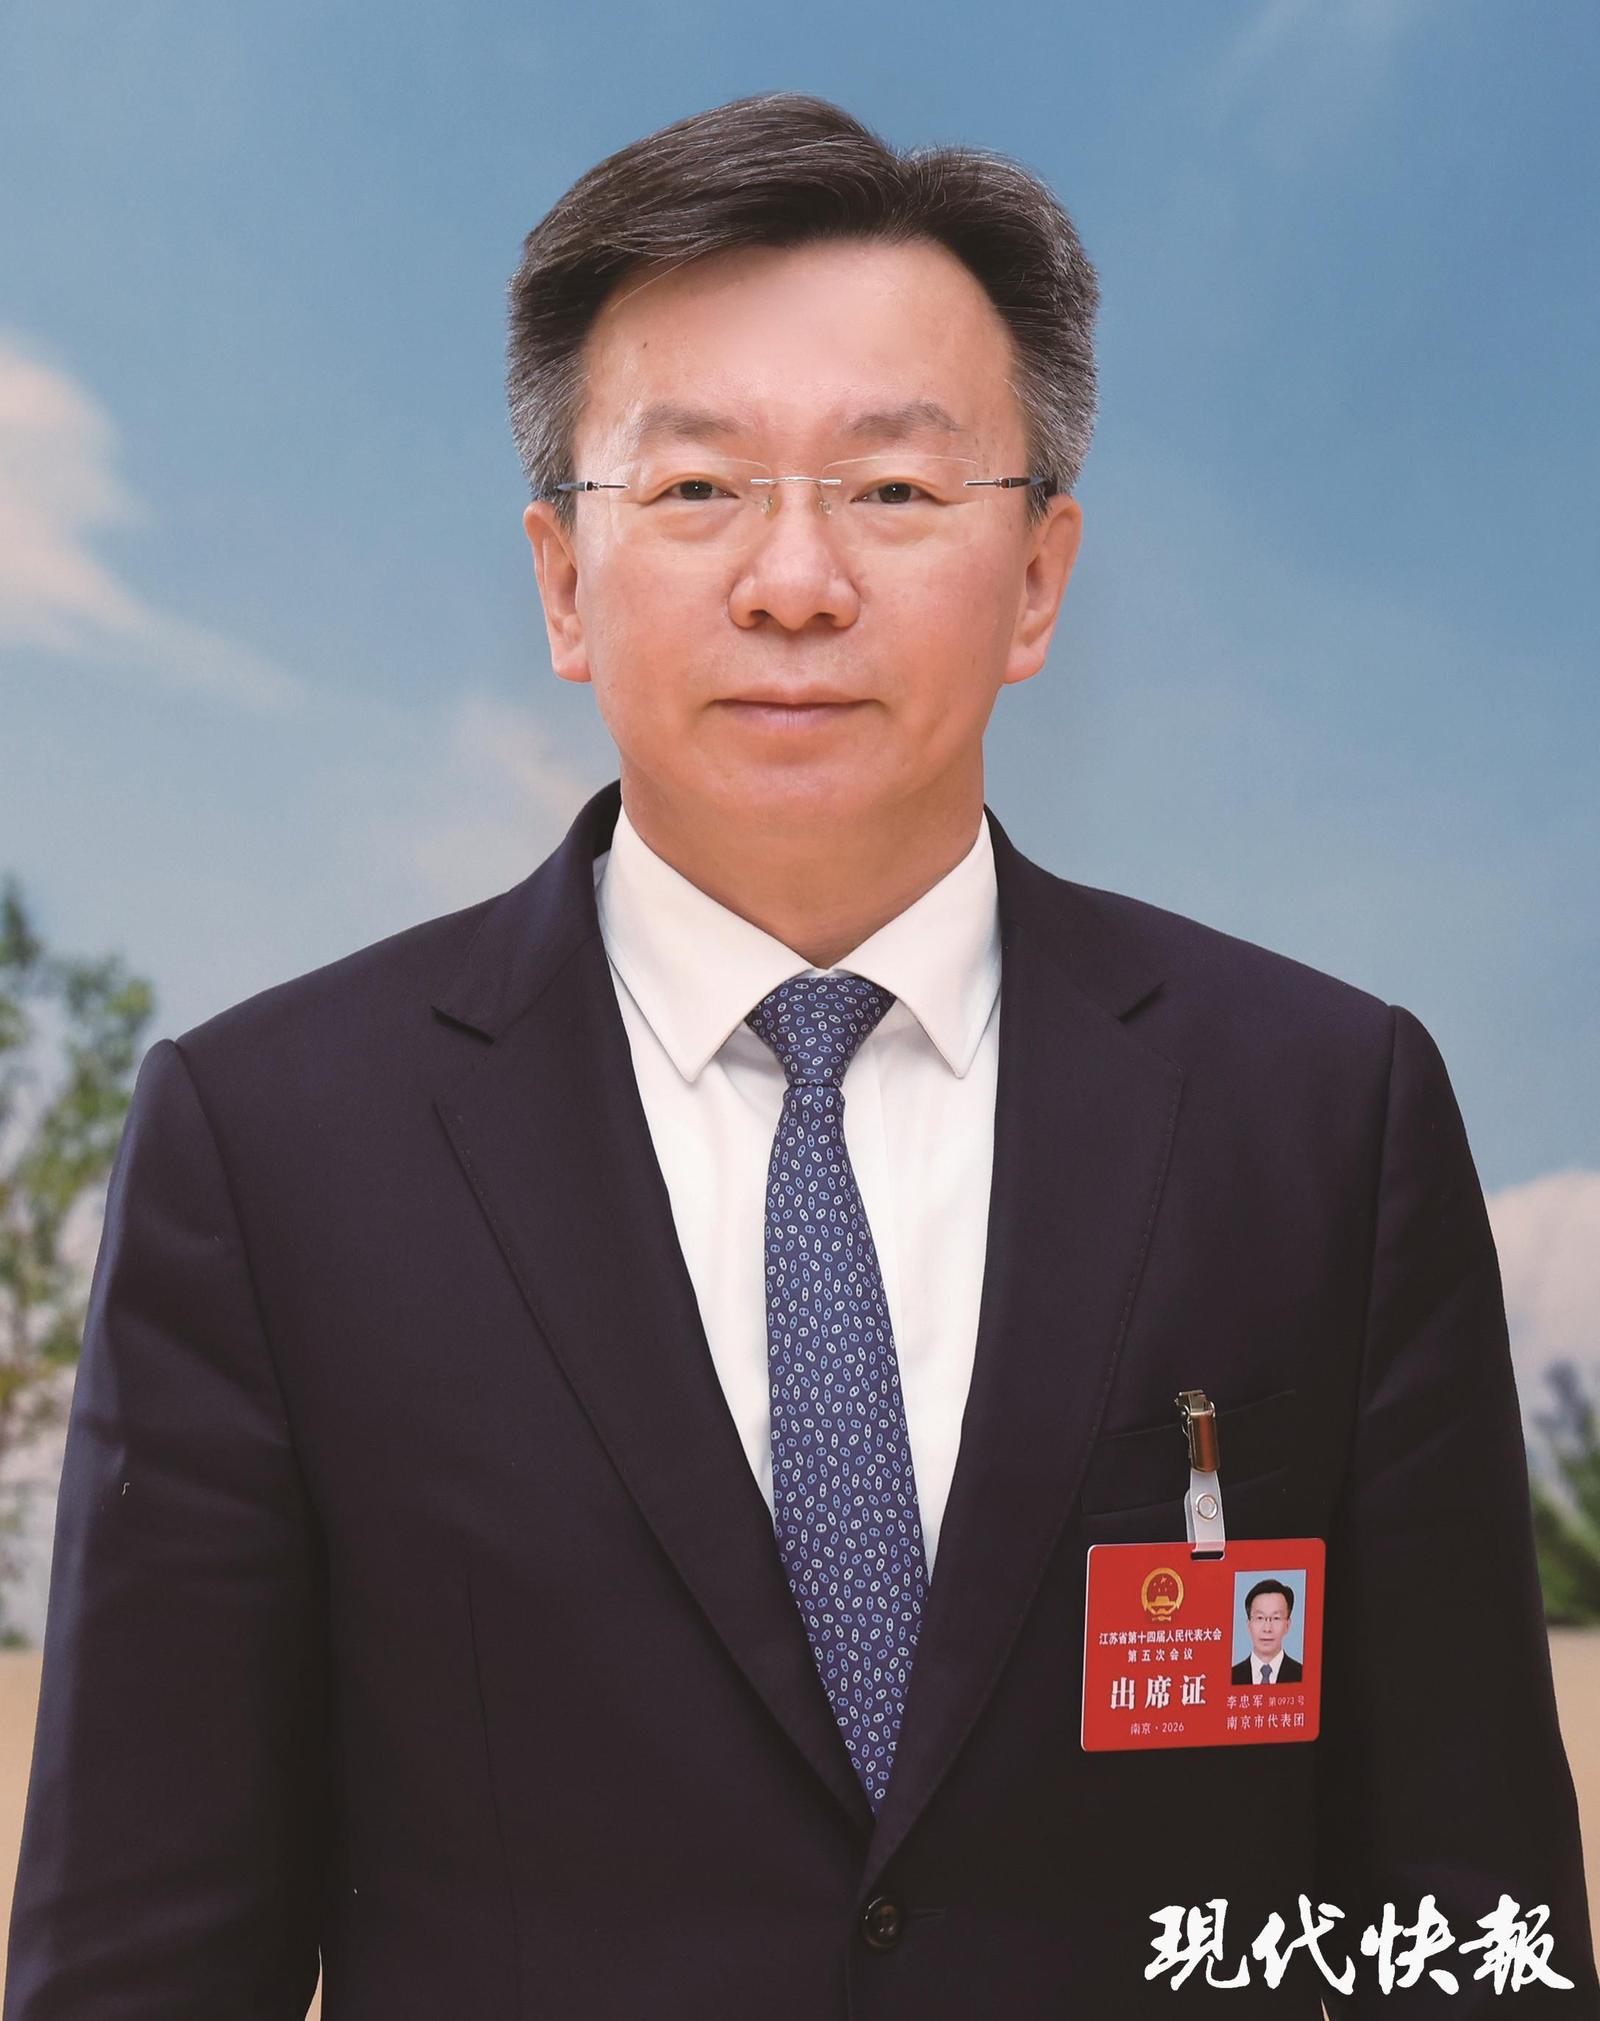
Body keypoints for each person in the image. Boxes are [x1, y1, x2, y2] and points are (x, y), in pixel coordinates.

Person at [5, 91, 1595, 2021]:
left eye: (893, 491)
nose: (794, 580)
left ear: (1039, 575)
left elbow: (1469, 1927)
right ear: (562, 578)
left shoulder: (1322, 1117)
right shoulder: (274, 1149)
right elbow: (145, 1963)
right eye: (696, 489)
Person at [1230, 1577, 1304, 1685]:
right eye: (1260, 1618)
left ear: (1287, 1625)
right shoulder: (1231, 1676)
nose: (1267, 1629)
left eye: (1276, 1618)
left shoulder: (1303, 1675)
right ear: (1249, 1625)